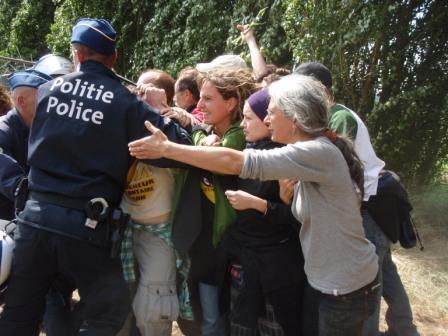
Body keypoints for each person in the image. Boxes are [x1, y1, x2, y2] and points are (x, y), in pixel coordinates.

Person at [129, 74, 380, 336]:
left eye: (272, 113)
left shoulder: (318, 152)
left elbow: (236, 162)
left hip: (346, 287)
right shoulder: (306, 154)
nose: (267, 119)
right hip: (327, 282)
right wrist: (283, 200)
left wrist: (167, 149)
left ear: (294, 118)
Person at [0, 18, 189, 336]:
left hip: (34, 221)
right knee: (109, 311)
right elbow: (178, 147)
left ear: (76, 55)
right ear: (113, 57)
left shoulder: (46, 91)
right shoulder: (125, 103)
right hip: (85, 227)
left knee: (19, 314)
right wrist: (159, 107)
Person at [294, 61, 420, 336]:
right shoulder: (332, 116)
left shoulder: (338, 118)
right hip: (369, 206)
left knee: (365, 287)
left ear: (321, 92)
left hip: (367, 210)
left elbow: (340, 167)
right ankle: (405, 328)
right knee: (383, 270)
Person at [169, 68, 257, 336]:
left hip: (225, 248)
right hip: (203, 245)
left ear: (231, 103)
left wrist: (200, 140)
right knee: (204, 314)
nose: (199, 105)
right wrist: (199, 136)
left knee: (216, 318)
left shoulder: (239, 136)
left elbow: (222, 160)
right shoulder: (204, 132)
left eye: (208, 99)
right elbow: (198, 140)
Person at [221, 88, 305, 335]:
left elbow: (299, 221)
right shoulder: (248, 153)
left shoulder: (289, 160)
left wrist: (264, 203)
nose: (243, 125)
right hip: (243, 263)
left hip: (277, 273)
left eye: (249, 118)